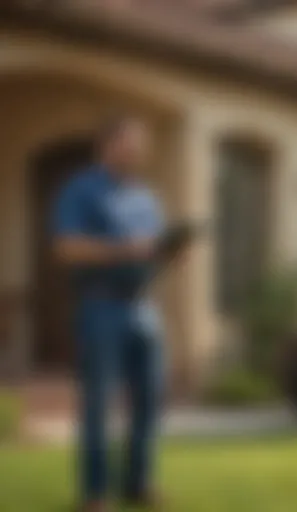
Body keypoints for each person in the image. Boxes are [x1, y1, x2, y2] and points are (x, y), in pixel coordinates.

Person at [52, 116, 174, 512]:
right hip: (101, 306)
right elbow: (67, 248)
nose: (140, 151)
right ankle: (95, 494)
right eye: (132, 142)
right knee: (99, 404)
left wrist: (170, 254)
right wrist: (125, 249)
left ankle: (137, 484)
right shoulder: (81, 190)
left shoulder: (145, 197)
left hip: (144, 307)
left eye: (143, 144)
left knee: (150, 400)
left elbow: (151, 254)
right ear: (108, 144)